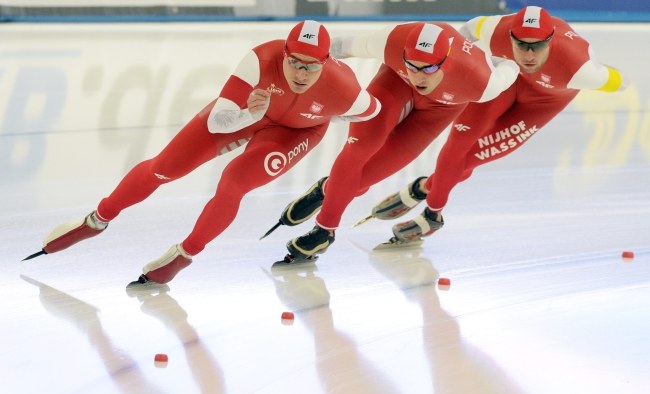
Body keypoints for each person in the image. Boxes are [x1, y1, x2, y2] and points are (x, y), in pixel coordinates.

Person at [26, 20, 381, 285]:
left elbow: (373, 113)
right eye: (296, 63)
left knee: (233, 182)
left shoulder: (345, 89)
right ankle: (97, 220)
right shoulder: (261, 58)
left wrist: (325, 117)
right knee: (165, 168)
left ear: (326, 62)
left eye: (312, 65)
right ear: (284, 53)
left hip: (295, 132)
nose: (302, 73)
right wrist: (249, 114)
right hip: (245, 113)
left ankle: (185, 254)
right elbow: (218, 123)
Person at [362, 5, 629, 245]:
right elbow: (462, 35)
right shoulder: (495, 29)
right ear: (510, 35)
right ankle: (434, 213)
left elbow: (621, 81)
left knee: (468, 159)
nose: (528, 54)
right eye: (520, 44)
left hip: (541, 104)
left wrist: (603, 73)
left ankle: (426, 191)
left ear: (551, 40)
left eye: (537, 45)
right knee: (457, 146)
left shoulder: (580, 69)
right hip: (505, 84)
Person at [268, 20, 520, 262]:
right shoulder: (389, 41)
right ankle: (324, 231)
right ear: (403, 55)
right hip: (393, 83)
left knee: (360, 180)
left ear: (445, 62)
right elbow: (336, 48)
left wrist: (499, 62)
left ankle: (325, 190)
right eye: (412, 65)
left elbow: (513, 67)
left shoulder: (483, 81)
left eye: (429, 68)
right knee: (358, 150)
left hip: (438, 111)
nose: (419, 76)